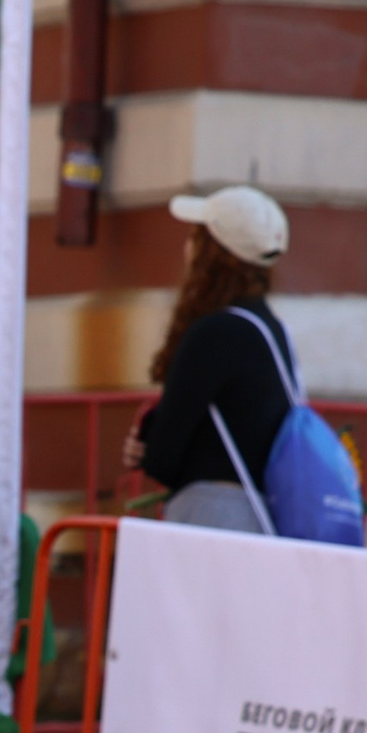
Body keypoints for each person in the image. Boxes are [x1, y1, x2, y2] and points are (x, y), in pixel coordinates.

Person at [120, 186, 293, 532]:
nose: (187, 246)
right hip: (261, 518)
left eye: (196, 236)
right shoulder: (270, 330)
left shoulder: (214, 332)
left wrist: (146, 443)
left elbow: (163, 459)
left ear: (212, 253)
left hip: (211, 516)